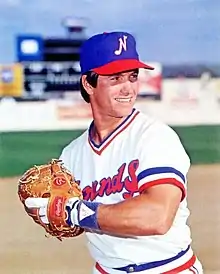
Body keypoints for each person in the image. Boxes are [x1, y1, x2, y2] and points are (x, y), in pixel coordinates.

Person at [25, 31, 203, 273]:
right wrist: (52, 214)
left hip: (169, 268)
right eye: (116, 79)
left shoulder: (155, 137)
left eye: (132, 76)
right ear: (88, 83)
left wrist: (74, 212)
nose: (128, 88)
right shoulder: (71, 156)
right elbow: (72, 224)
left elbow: (157, 217)